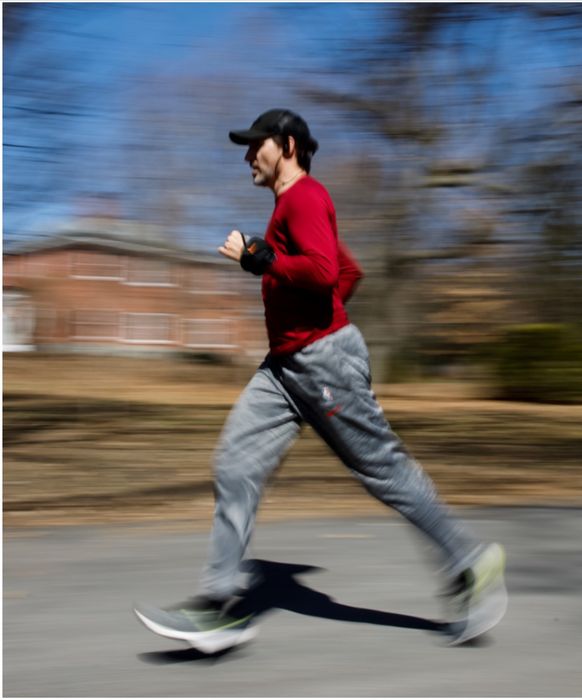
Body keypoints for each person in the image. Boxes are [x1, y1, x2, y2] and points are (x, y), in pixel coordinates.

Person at [134, 109, 506, 652]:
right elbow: (346, 273)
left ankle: (471, 562)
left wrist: (263, 260)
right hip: (285, 368)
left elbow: (325, 272)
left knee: (382, 471)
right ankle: (217, 608)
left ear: (286, 145)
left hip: (321, 364)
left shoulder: (305, 198)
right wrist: (309, 310)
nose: (246, 156)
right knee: (235, 462)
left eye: (254, 146)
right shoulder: (294, 206)